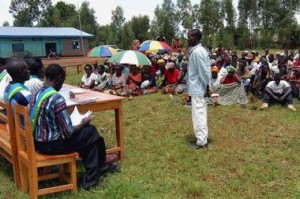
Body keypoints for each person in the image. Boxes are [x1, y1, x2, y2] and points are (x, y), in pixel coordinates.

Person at [29, 64, 118, 190]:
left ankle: (99, 166)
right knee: (90, 132)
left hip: (38, 143)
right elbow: (68, 132)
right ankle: (91, 181)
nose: (61, 85)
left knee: (88, 138)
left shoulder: (36, 94)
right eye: (63, 81)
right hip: (52, 145)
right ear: (59, 78)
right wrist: (83, 122)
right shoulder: (56, 98)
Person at [187, 29, 211, 149]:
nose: (188, 39)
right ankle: (201, 138)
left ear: (196, 38)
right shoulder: (197, 51)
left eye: (190, 37)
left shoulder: (198, 52)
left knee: (199, 114)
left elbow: (204, 72)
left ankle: (202, 142)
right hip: (196, 87)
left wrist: (207, 86)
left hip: (199, 88)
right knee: (198, 113)